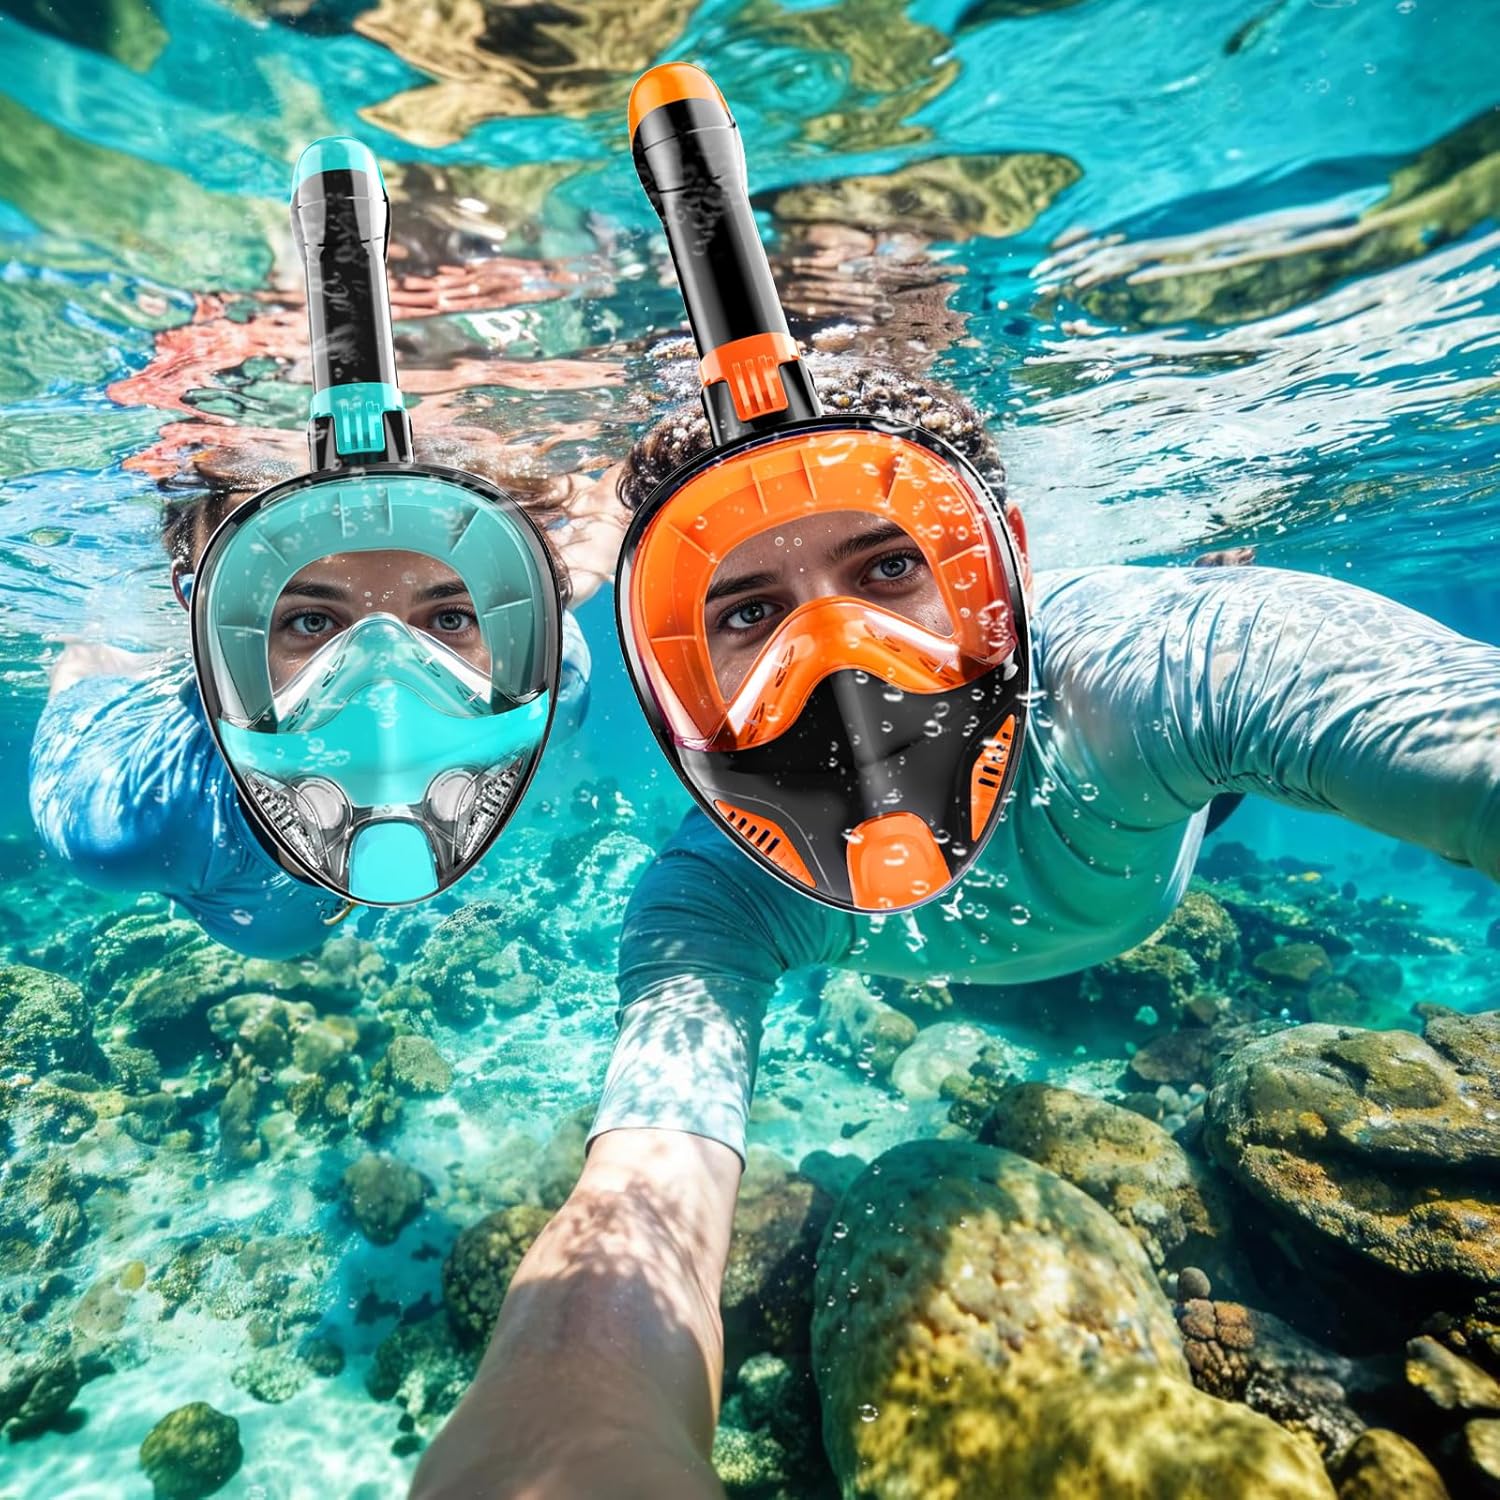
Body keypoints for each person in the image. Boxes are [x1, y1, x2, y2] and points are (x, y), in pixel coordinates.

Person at [408, 352, 1500, 1500]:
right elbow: (639, 1200)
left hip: (1168, 802)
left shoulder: (1149, 673)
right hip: (1122, 864)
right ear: (668, 668)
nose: (839, 674)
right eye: (749, 612)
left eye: (888, 568)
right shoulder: (711, 897)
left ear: (1005, 566)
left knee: (1207, 760)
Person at [28, 455, 605, 956]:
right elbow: (79, 691)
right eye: (310, 621)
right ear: (203, 621)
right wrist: (84, 647)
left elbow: (560, 591)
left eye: (450, 618)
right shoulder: (133, 818)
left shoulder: (553, 683)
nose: (384, 699)